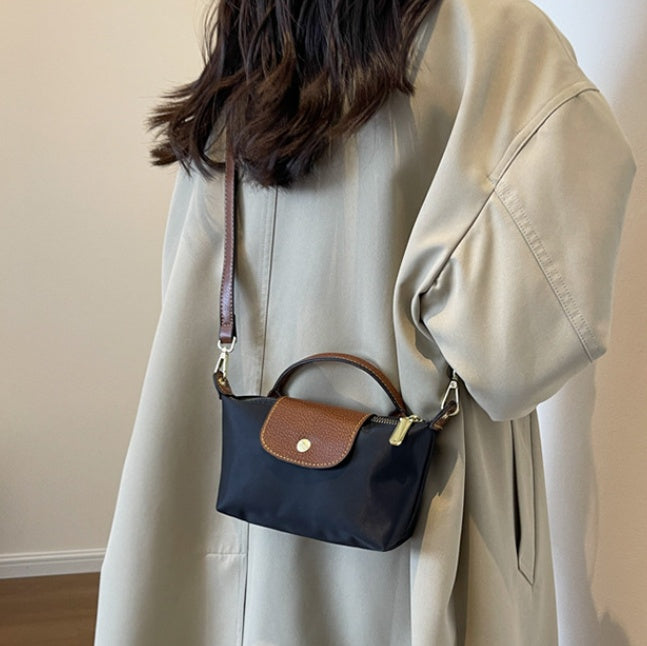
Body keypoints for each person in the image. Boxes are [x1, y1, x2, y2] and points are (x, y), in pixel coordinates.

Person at [94, 0, 635, 644]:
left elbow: (190, 272)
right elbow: (513, 353)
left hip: (219, 454)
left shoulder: (252, 38)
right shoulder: (492, 36)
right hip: (410, 504)